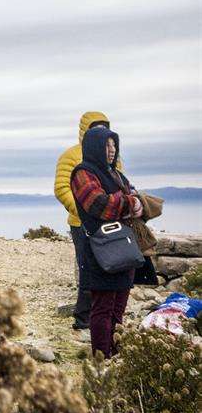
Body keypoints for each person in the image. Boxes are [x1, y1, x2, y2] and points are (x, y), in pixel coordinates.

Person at [70, 126, 144, 358]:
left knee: (118, 308)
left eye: (114, 145)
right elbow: (100, 205)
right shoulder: (82, 173)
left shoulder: (116, 174)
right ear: (94, 147)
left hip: (123, 248)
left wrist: (131, 201)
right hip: (101, 250)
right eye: (106, 145)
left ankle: (115, 354)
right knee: (102, 308)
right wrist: (131, 203)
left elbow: (131, 198)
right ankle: (102, 358)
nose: (111, 150)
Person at [54, 112, 116, 331]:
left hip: (108, 223)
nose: (100, 132)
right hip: (81, 224)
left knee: (109, 268)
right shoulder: (70, 156)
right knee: (88, 269)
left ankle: (105, 317)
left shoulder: (112, 155)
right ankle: (83, 319)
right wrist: (84, 211)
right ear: (84, 130)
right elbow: (62, 188)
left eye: (104, 127)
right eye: (95, 128)